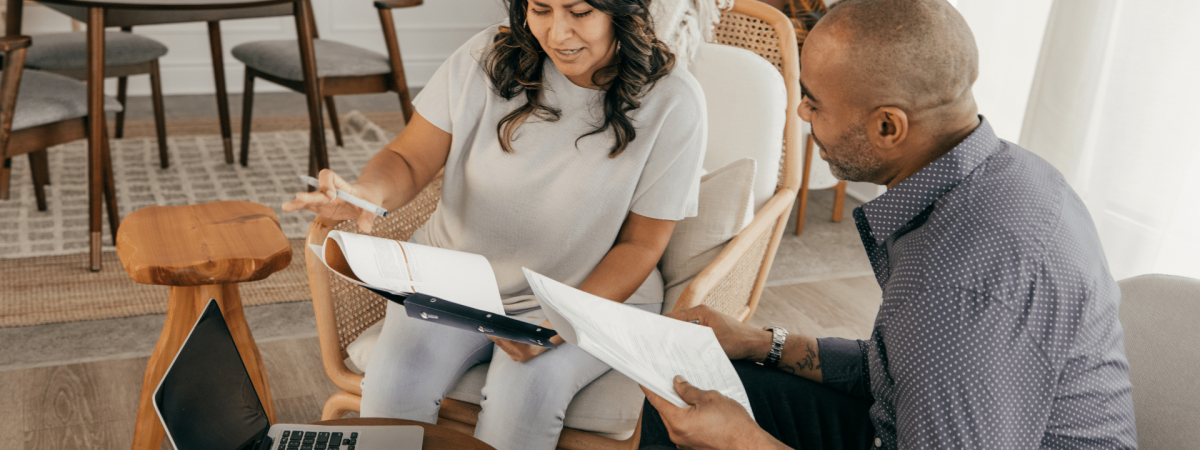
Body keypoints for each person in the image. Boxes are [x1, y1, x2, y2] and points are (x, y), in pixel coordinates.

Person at [637, 0, 1138, 449]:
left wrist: (742, 442)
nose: (801, 110)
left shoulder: (952, 284)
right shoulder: (1013, 172)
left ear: (887, 126)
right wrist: (763, 343)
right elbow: (901, 369)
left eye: (814, 101)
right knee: (683, 391)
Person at [282, 0, 706, 449]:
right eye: (540, 9)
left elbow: (641, 244)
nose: (557, 34)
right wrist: (368, 192)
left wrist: (557, 322)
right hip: (453, 283)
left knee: (521, 399)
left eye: (579, 12)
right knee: (391, 399)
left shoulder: (674, 100)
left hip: (584, 292)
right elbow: (408, 157)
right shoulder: (487, 56)